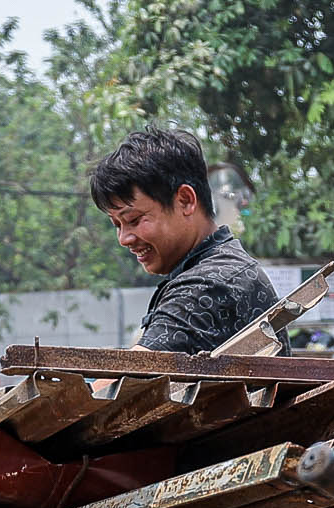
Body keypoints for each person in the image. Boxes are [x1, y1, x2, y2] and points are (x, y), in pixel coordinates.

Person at [90, 127, 277, 354]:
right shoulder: (220, 268)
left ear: (186, 201)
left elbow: (133, 371)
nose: (123, 239)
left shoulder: (209, 284)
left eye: (134, 220)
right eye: (117, 225)